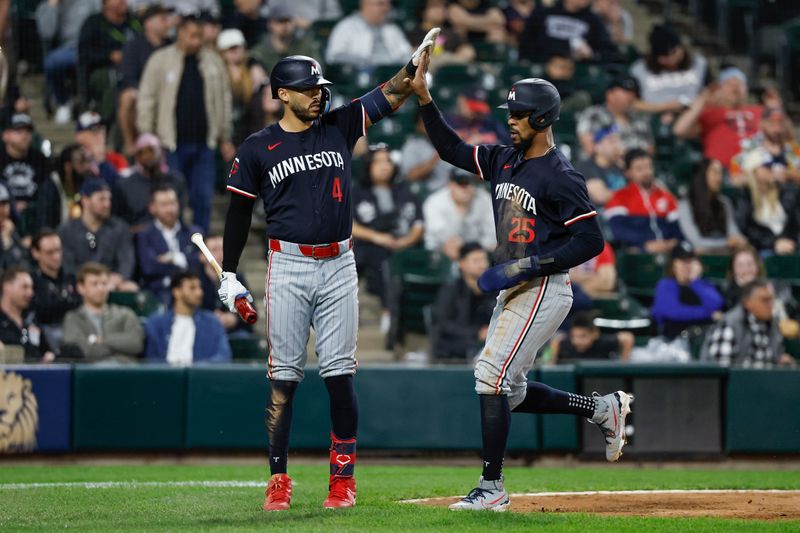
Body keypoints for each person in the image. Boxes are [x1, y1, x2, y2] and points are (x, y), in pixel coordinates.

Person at [218, 34, 439, 510]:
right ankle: (278, 478)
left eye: (320, 86)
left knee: (340, 376)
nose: (319, 93)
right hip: (289, 264)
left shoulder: (339, 125)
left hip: (339, 262)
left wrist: (412, 66)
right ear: (281, 94)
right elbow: (238, 214)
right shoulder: (258, 148)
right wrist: (230, 272)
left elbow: (390, 93)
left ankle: (343, 480)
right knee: (284, 380)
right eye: (308, 88)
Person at [408, 58, 634, 510]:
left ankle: (492, 488)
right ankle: (601, 410)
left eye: (518, 115)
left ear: (543, 118)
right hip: (517, 288)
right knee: (509, 389)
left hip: (545, 287)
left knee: (490, 378)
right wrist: (424, 98)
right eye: (508, 114)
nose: (509, 121)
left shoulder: (561, 175)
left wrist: (530, 266)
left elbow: (590, 241)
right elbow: (452, 149)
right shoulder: (503, 159)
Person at [137, 13, 234, 234]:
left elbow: (224, 100)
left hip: (204, 144)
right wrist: (147, 136)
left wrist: (225, 136)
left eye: (199, 36)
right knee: (173, 199)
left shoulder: (213, 62)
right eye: (192, 35)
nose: (196, 41)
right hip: (170, 144)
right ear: (180, 33)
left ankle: (202, 247)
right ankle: (177, 243)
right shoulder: (160, 60)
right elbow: (147, 98)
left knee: (203, 199)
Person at [352, 144, 424, 317]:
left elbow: (419, 225)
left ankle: (395, 313)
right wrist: (378, 237)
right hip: (370, 246)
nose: (385, 166)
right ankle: (387, 310)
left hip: (404, 246)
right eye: (378, 162)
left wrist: (404, 241)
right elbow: (349, 225)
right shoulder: (357, 192)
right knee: (376, 255)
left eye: (388, 161)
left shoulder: (406, 191)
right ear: (368, 165)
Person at [673, 67, 763, 170]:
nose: (735, 88)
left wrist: (776, 108)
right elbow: (680, 130)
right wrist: (703, 99)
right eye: (729, 84)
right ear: (719, 89)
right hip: (722, 172)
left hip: (759, 168)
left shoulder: (759, 111)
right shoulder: (710, 113)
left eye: (739, 83)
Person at [58, 179, 138, 291]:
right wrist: (92, 282)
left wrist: (118, 278)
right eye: (101, 199)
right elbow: (67, 266)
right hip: (79, 287)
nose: (107, 204)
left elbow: (126, 261)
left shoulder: (119, 228)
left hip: (112, 286)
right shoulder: (67, 231)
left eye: (109, 199)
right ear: (85, 200)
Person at [117, 2, 173, 156]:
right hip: (143, 94)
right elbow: (128, 78)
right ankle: (130, 145)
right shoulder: (134, 46)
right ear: (149, 23)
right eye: (163, 19)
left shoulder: (172, 46)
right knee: (127, 97)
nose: (169, 24)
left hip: (169, 94)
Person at [701, 279, 796, 368]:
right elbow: (722, 370)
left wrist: (780, 363)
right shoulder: (729, 325)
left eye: (772, 299)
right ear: (748, 303)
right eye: (765, 300)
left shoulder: (773, 325)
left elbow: (773, 359)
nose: (770, 305)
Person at [61, 262, 144, 362]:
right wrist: (119, 349)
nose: (101, 289)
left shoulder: (125, 314)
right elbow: (83, 352)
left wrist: (101, 340)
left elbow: (136, 343)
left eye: (104, 284)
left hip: (124, 371)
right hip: (91, 374)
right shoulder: (73, 319)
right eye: (94, 284)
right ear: (81, 288)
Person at [144, 270, 231, 364]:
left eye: (199, 288)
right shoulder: (156, 323)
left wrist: (198, 371)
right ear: (176, 292)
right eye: (192, 288)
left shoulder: (212, 322)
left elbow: (223, 355)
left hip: (199, 376)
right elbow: (150, 359)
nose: (199, 293)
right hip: (164, 377)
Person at [604, 148, 682, 252]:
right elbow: (619, 231)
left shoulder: (665, 195)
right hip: (639, 252)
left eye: (648, 167)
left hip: (669, 251)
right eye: (639, 169)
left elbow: (679, 227)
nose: (646, 172)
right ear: (628, 173)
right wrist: (645, 244)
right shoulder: (619, 197)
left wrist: (673, 242)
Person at [430, 242, 495, 361]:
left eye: (484, 260)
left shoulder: (495, 291)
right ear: (462, 264)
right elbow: (443, 324)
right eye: (476, 261)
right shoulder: (450, 290)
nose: (482, 265)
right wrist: (477, 333)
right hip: (453, 352)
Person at [35, 0, 98, 124]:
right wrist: (53, 7)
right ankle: (64, 101)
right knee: (52, 62)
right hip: (66, 48)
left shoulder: (91, 2)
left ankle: (90, 103)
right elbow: (47, 33)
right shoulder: (46, 6)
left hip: (91, 46)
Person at [136, 185, 201, 303]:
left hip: (192, 291)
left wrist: (174, 258)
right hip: (158, 293)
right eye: (164, 205)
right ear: (152, 208)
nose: (170, 209)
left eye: (172, 203)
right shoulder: (144, 235)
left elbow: (200, 263)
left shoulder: (194, 233)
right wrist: (185, 262)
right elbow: (149, 268)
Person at [77, 0, 141, 119]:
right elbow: (84, 54)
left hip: (136, 68)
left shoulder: (134, 22)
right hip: (104, 69)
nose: (123, 2)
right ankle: (105, 121)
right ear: (105, 3)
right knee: (113, 81)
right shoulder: (94, 23)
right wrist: (109, 56)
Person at [0, 112, 61, 235]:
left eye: (28, 131)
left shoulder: (40, 159)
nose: (25, 135)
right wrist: (11, 206)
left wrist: (30, 206)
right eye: (18, 131)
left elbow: (48, 194)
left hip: (36, 217)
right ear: (5, 135)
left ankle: (44, 237)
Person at [629, 24, 708, 117]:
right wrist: (665, 108)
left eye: (673, 53)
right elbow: (632, 103)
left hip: (693, 117)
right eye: (665, 56)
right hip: (653, 118)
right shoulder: (639, 69)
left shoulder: (698, 63)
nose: (671, 59)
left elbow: (710, 93)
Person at [721, 244, 799, 339]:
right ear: (733, 270)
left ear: (757, 265)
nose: (746, 270)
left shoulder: (775, 286)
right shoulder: (730, 293)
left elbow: (792, 311)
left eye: (749, 264)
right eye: (740, 265)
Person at [112, 133, 188, 231]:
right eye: (141, 152)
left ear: (161, 151)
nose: (146, 156)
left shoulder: (176, 180)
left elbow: (180, 215)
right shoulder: (124, 184)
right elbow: (118, 220)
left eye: (151, 151)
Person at [650, 241, 724, 340]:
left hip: (704, 338)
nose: (687, 265)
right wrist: (708, 314)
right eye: (682, 261)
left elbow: (716, 305)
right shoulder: (666, 285)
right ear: (673, 264)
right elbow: (674, 312)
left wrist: (695, 281)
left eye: (690, 261)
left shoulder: (702, 284)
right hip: (673, 341)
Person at [734, 148, 799, 255]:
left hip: (789, 245)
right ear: (754, 171)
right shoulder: (745, 196)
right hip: (762, 248)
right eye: (766, 166)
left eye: (770, 166)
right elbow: (747, 228)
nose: (770, 169)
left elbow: (794, 221)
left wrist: (788, 241)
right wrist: (774, 242)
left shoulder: (784, 191)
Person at [422, 168, 496, 261]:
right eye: (461, 184)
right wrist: (461, 210)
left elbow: (492, 234)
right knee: (452, 248)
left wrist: (477, 248)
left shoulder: (484, 199)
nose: (466, 189)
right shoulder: (435, 202)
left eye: (468, 183)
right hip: (439, 253)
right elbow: (444, 237)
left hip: (477, 250)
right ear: (451, 185)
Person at [677, 158, 746, 254]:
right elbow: (696, 242)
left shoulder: (725, 203)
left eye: (721, 173)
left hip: (725, 254)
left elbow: (734, 233)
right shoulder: (686, 204)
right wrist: (726, 243)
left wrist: (739, 240)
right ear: (702, 175)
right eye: (715, 173)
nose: (719, 178)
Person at [30, 230, 81, 352]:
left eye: (58, 250)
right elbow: (41, 311)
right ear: (36, 253)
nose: (56, 257)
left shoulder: (71, 278)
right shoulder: (31, 281)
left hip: (75, 331)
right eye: (49, 252)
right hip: (45, 335)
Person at [577, 76, 653, 157]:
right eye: (626, 92)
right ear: (609, 94)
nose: (631, 96)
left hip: (634, 168)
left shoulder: (640, 120)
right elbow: (589, 149)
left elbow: (650, 152)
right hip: (597, 168)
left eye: (634, 93)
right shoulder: (593, 115)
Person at [519, 0, 615, 63]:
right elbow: (526, 43)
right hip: (543, 65)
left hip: (576, 71)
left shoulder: (593, 20)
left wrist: (592, 54)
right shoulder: (545, 12)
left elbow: (608, 51)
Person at [217, 28, 268, 146]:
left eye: (238, 47)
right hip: (228, 134)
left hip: (253, 131)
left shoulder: (254, 69)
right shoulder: (218, 73)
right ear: (222, 52)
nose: (236, 52)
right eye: (231, 49)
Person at [325, 0, 412, 67]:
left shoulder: (392, 29)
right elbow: (334, 56)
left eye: (388, 4)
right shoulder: (347, 26)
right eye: (381, 4)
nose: (386, 8)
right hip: (362, 81)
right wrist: (364, 63)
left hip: (393, 77)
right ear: (365, 4)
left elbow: (406, 54)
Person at [731, 107, 800, 185]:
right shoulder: (748, 146)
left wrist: (787, 174)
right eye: (772, 123)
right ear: (762, 123)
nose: (777, 129)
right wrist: (757, 176)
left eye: (780, 123)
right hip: (759, 194)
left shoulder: (793, 148)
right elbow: (735, 180)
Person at [198, 235, 251, 334]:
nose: (220, 255)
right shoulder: (195, 279)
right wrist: (211, 317)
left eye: (223, 250)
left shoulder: (237, 278)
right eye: (214, 250)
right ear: (201, 256)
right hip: (203, 330)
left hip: (233, 331)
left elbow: (250, 310)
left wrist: (234, 318)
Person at [0, 266, 54, 362]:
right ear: (7, 287)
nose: (30, 293)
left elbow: (47, 351)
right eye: (24, 287)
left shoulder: (31, 320)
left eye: (31, 288)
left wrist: (50, 356)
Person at [407, 0, 476, 73]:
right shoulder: (413, 34)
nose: (439, 10)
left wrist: (444, 58)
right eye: (434, 7)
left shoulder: (452, 34)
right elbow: (413, 56)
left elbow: (468, 53)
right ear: (423, 11)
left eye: (442, 7)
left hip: (452, 72)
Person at [249, 6, 320, 74]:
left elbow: (318, 69)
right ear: (270, 24)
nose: (285, 25)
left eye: (288, 20)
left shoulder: (304, 46)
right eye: (280, 21)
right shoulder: (260, 51)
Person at [549, 311, 633, 363]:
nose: (576, 341)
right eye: (573, 336)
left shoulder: (603, 342)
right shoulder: (568, 344)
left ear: (595, 334)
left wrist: (624, 363)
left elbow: (627, 338)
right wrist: (552, 361)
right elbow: (556, 341)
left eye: (583, 336)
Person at [399, 110, 452, 193]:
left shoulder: (453, 140)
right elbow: (410, 176)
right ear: (418, 127)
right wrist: (437, 155)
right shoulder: (412, 147)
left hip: (458, 191)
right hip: (429, 194)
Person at [573, 123, 625, 207]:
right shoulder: (585, 167)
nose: (617, 145)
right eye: (611, 141)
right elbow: (601, 196)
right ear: (597, 146)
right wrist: (630, 195)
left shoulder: (621, 166)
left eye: (617, 140)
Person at [75, 110, 127, 183]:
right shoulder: (75, 162)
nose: (100, 135)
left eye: (102, 129)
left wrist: (101, 161)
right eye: (94, 130)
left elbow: (124, 188)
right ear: (79, 137)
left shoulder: (116, 159)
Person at [0, 183, 30, 270]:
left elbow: (21, 266)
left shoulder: (11, 231)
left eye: (5, 204)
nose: (2, 209)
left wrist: (7, 240)